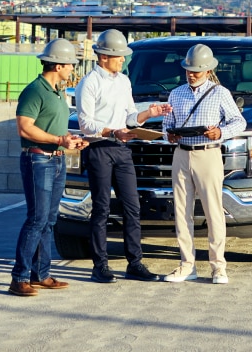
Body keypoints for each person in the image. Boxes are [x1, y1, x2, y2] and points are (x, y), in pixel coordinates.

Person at [75, 29, 172, 283]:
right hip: (99, 149)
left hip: (122, 149)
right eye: (119, 56)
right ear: (104, 56)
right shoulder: (89, 83)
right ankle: (100, 265)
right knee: (101, 209)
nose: (123, 60)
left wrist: (147, 114)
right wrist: (112, 131)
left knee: (132, 206)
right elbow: (85, 123)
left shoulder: (124, 82)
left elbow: (130, 116)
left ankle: (134, 262)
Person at [9, 39, 88, 297]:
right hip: (38, 160)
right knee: (36, 219)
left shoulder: (56, 92)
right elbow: (24, 127)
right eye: (70, 65)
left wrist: (69, 139)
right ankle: (19, 278)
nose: (72, 69)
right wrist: (58, 140)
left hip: (56, 159)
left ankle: (41, 274)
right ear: (57, 64)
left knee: (49, 220)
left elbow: (53, 127)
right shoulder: (34, 91)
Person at [162, 44, 246, 285]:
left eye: (197, 70)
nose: (191, 73)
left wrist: (219, 132)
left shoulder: (220, 93)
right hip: (181, 154)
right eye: (188, 69)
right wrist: (170, 135)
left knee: (213, 211)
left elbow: (239, 122)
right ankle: (187, 265)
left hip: (209, 154)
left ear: (208, 70)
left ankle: (218, 267)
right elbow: (166, 125)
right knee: (181, 212)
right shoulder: (176, 93)